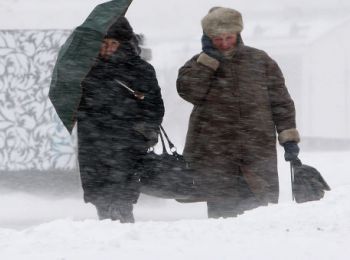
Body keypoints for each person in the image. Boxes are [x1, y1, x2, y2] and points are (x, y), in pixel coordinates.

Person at [176, 7, 300, 218]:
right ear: (207, 38)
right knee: (222, 215)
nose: (224, 43)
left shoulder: (261, 61)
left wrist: (288, 139)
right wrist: (208, 62)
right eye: (217, 39)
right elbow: (190, 92)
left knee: (260, 213)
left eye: (229, 37)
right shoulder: (199, 63)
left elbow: (281, 102)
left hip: (256, 152)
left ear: (238, 34)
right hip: (216, 155)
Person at [77, 16, 164, 223]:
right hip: (93, 145)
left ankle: (123, 245)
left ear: (123, 43)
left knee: (121, 201)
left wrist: (141, 132)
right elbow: (77, 107)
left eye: (113, 43)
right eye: (103, 43)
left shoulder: (140, 70)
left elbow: (155, 108)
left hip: (126, 145)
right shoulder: (85, 71)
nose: (107, 48)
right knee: (101, 200)